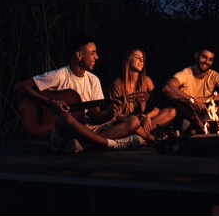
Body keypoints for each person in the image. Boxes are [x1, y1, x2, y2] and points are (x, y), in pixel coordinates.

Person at [14, 33, 144, 153]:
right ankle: (110, 143)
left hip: (88, 129)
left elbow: (95, 117)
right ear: (79, 55)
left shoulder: (94, 80)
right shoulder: (60, 75)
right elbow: (20, 87)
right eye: (93, 53)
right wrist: (50, 102)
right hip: (64, 132)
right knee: (65, 118)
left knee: (133, 121)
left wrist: (109, 112)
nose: (96, 57)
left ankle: (83, 145)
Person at [163, 46, 219, 134]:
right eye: (204, 57)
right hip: (188, 116)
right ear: (196, 56)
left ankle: (204, 127)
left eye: (210, 59)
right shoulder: (186, 73)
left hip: (205, 114)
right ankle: (200, 126)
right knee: (175, 100)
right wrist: (194, 102)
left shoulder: (213, 75)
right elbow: (167, 88)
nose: (207, 62)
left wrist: (206, 99)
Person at [109, 47, 176, 141]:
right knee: (132, 123)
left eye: (143, 59)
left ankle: (140, 133)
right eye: (137, 57)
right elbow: (116, 115)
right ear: (128, 59)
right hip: (127, 122)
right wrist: (134, 118)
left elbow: (157, 106)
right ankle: (146, 136)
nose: (141, 60)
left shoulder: (147, 81)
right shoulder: (118, 84)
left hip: (145, 123)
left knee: (171, 111)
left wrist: (148, 116)